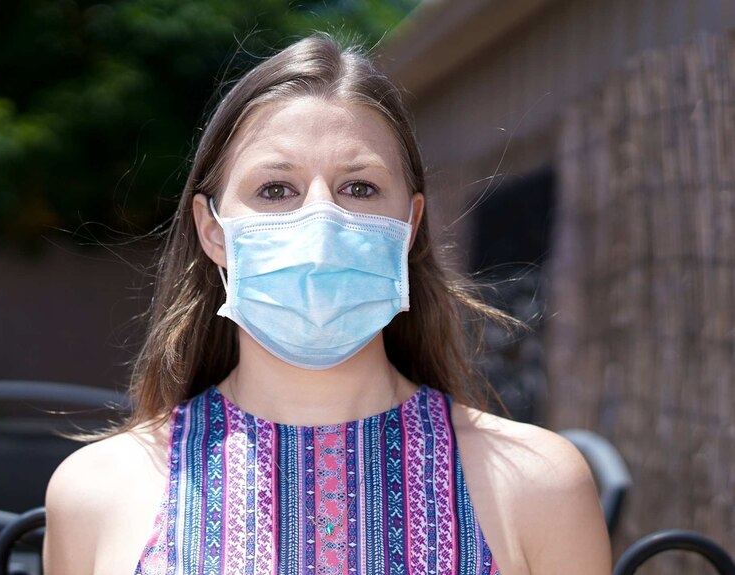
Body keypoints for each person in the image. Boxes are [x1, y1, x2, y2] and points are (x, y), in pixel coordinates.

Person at [43, 33, 611, 575]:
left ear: (409, 226)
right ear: (212, 230)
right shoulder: (97, 491)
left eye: (359, 188)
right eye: (275, 190)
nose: (320, 224)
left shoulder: (541, 483)